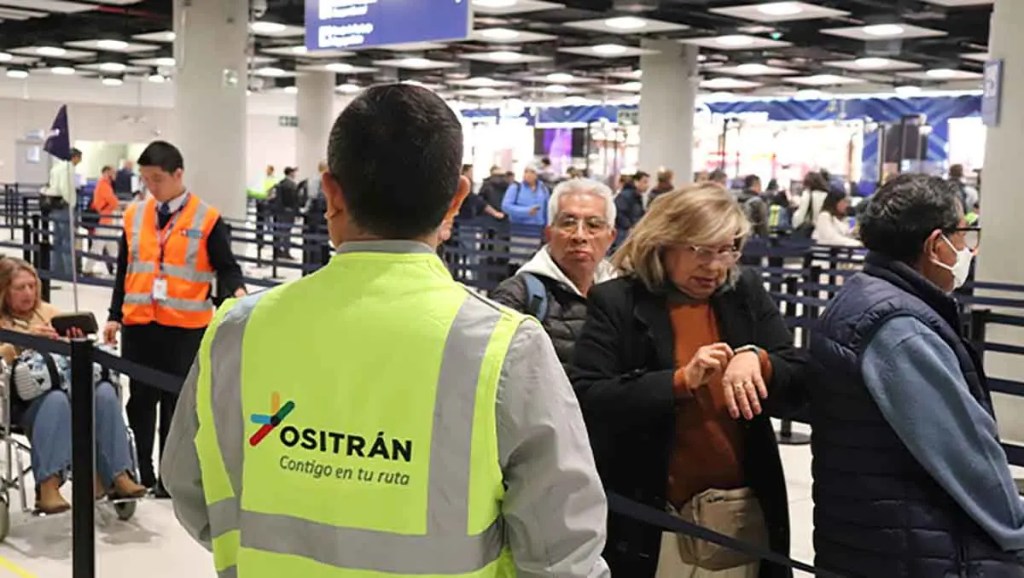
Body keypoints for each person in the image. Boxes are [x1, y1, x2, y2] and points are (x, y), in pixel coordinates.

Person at [162, 83, 610, 577]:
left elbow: (190, 489)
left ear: (331, 192)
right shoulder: (504, 350)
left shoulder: (237, 332)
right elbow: (561, 553)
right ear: (457, 198)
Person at [571, 183, 807, 578]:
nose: (715, 266)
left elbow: (799, 376)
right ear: (663, 243)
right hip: (654, 517)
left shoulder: (741, 293)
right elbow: (587, 396)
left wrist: (758, 360)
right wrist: (678, 381)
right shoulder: (618, 302)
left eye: (728, 250)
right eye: (701, 250)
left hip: (739, 512)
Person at [809, 174, 1023, 577]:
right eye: (964, 234)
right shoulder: (900, 330)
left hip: (876, 540)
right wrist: (1014, 528)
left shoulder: (865, 297)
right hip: (915, 551)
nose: (967, 249)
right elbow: (966, 454)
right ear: (936, 244)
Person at [103, 141, 246, 498]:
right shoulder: (134, 215)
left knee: (175, 406)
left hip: (184, 328)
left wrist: (238, 295)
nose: (151, 186)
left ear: (178, 174)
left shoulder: (207, 218)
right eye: (146, 179)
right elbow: (124, 268)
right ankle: (142, 471)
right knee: (139, 401)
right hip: (139, 325)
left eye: (157, 179)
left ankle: (169, 478)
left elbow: (226, 267)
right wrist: (114, 315)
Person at [0, 258, 147, 514]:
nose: (28, 293)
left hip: (68, 386)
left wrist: (74, 341)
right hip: (19, 400)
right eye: (19, 288)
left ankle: (118, 474)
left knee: (103, 393)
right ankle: (48, 486)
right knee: (55, 400)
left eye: (32, 286)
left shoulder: (50, 313)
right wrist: (23, 342)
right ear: (3, 290)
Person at [491, 178, 617, 367]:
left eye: (594, 225)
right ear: (548, 234)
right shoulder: (517, 295)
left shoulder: (622, 293)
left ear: (611, 236)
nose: (580, 236)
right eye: (568, 223)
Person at [43, 147, 82, 279]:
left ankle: (56, 269)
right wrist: (71, 204)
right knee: (67, 241)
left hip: (55, 207)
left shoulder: (56, 167)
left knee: (57, 239)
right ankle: (68, 273)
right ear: (74, 157)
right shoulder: (68, 168)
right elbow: (67, 189)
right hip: (65, 208)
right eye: (79, 158)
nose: (79, 162)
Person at [86, 165, 120, 277]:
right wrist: (117, 204)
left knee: (112, 246)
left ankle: (118, 269)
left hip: (106, 220)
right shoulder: (104, 185)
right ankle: (88, 269)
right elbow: (113, 202)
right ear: (107, 173)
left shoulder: (104, 184)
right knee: (98, 246)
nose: (115, 175)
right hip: (104, 220)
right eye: (113, 172)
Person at [272, 166, 300, 260]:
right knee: (287, 233)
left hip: (280, 212)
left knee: (280, 232)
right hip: (288, 212)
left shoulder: (281, 183)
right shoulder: (291, 184)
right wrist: (296, 211)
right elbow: (294, 199)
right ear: (290, 173)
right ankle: (286, 252)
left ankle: (278, 251)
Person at [792, 171, 829, 239]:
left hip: (810, 233)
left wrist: (795, 214)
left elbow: (800, 216)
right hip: (825, 233)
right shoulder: (827, 195)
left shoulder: (808, 195)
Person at [614, 170, 647, 240]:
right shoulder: (625, 196)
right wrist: (629, 227)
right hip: (624, 235)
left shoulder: (638, 197)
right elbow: (619, 214)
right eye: (645, 182)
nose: (647, 185)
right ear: (636, 182)